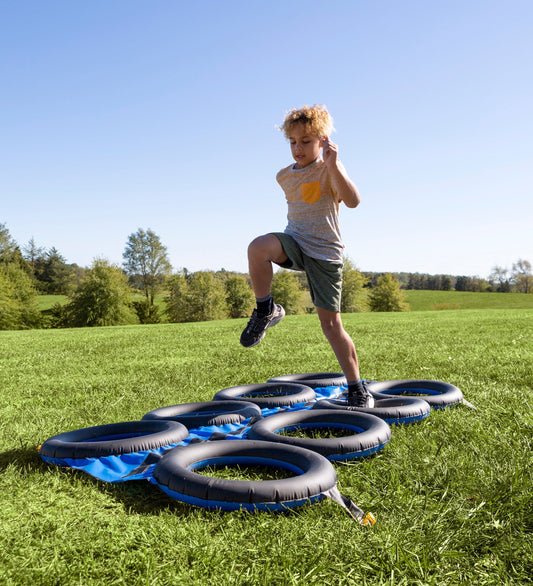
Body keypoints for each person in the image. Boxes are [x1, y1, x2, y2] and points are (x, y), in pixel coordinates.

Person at [240, 105, 373, 408]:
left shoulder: (329, 168)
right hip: (295, 243)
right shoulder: (283, 176)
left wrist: (334, 163)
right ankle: (265, 310)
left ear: (322, 140)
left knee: (331, 326)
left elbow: (352, 201)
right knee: (257, 247)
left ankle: (357, 387)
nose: (298, 148)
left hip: (325, 253)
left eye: (306, 141)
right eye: (293, 142)